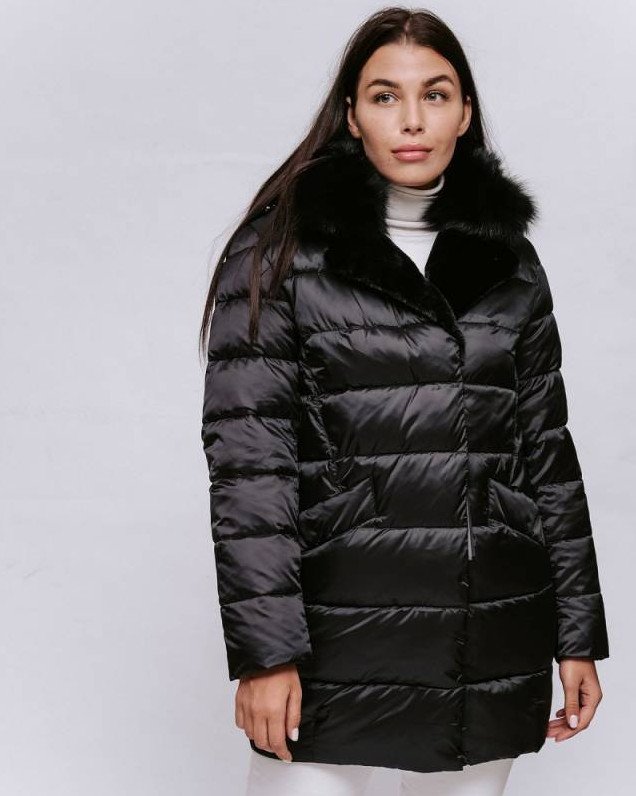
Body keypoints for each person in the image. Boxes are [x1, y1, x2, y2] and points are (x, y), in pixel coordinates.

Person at [199, 7, 609, 794]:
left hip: (484, 634)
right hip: (333, 637)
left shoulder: (510, 262)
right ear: (352, 115)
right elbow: (251, 473)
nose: (412, 119)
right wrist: (266, 653)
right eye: (385, 96)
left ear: (465, 113)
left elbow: (547, 457)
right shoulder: (279, 254)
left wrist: (576, 634)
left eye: (435, 94)